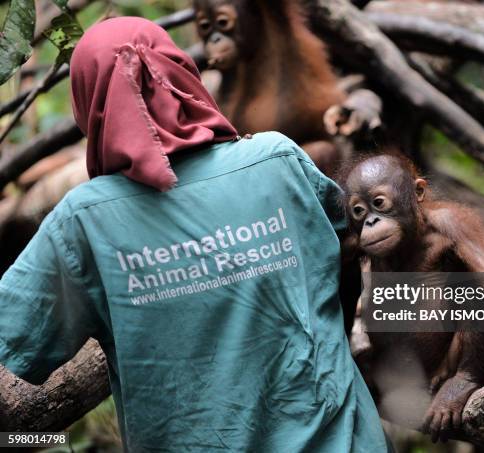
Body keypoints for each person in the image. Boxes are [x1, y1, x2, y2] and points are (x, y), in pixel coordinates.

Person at [0, 17, 388, 452]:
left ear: (90, 103)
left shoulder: (83, 220)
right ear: (183, 73)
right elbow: (345, 259)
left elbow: (16, 340)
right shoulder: (277, 160)